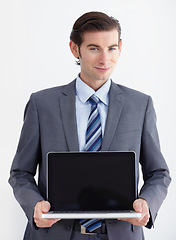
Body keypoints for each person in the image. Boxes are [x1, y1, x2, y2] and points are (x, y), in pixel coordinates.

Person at [9, 11, 171, 240]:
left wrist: (146, 203)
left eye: (112, 48)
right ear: (75, 49)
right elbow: (20, 173)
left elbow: (158, 173)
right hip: (54, 234)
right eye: (94, 48)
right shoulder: (41, 104)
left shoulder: (140, 105)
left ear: (120, 48)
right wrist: (34, 204)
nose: (105, 59)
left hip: (120, 233)